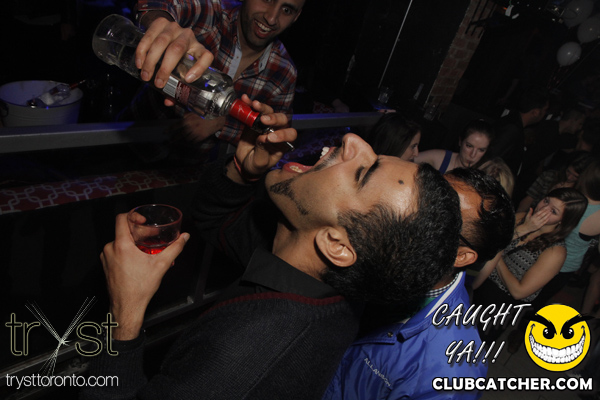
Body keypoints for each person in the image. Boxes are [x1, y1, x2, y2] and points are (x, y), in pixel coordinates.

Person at [81, 98, 463, 399]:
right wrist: (242, 172)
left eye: (363, 173)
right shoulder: (311, 274)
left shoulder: (245, 355)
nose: (355, 141)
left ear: (336, 244)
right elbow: (218, 222)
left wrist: (124, 316)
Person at [322, 168, 515, 400]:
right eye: (422, 193)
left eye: (436, 216)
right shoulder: (362, 249)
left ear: (460, 255)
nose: (406, 211)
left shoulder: (451, 372)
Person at [122, 0, 304, 155]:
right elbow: (157, 4)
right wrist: (163, 26)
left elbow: (275, 139)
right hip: (128, 142)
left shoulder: (284, 72)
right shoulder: (212, 13)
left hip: (192, 170)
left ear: (296, 17)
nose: (271, 18)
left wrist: (223, 123)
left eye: (286, 10)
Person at [472, 187, 588, 342]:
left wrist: (497, 256)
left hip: (499, 304)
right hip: (478, 283)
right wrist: (524, 229)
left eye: (553, 211)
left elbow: (519, 292)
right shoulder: (522, 218)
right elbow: (486, 242)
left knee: (472, 344)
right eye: (546, 201)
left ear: (563, 221)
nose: (543, 209)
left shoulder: (555, 251)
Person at [487, 87, 549, 177]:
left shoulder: (514, 123)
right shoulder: (512, 128)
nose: (545, 114)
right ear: (535, 112)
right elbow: (492, 158)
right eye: (545, 110)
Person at [516, 151, 593, 213]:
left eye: (575, 176)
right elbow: (529, 199)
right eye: (568, 172)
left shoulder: (580, 194)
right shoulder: (549, 176)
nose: (569, 177)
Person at [415, 119, 494, 173]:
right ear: (460, 141)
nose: (473, 155)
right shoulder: (441, 158)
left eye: (481, 150)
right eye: (469, 146)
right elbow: (408, 158)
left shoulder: (484, 174)